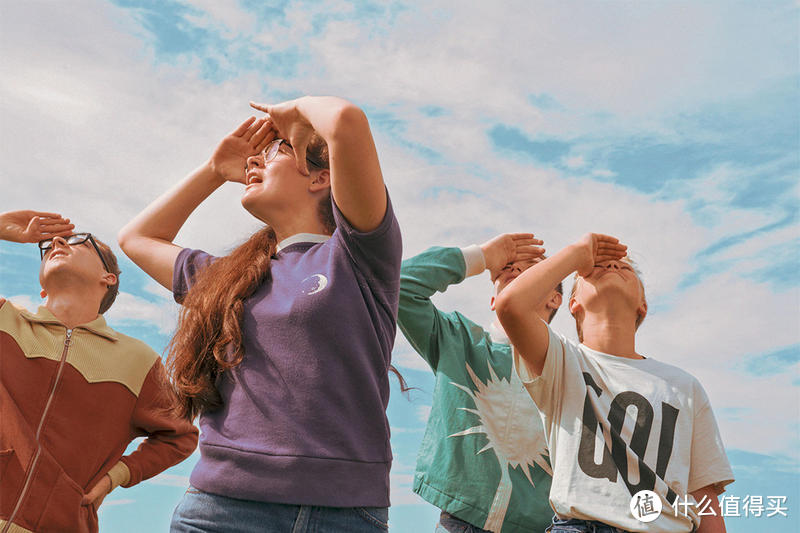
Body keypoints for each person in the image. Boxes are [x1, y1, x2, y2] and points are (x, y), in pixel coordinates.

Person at [117, 96, 402, 533]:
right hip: (220, 509)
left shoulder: (358, 255)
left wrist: (297, 113)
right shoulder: (226, 278)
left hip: (342, 514)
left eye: (274, 152)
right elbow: (136, 237)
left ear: (321, 178)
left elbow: (346, 120)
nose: (253, 163)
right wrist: (214, 170)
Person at [495, 233, 734, 533]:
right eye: (595, 266)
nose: (611, 264)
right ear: (573, 303)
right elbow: (510, 306)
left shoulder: (684, 386)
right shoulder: (562, 360)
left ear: (642, 305)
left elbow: (703, 496)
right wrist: (577, 253)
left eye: (625, 268)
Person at [0, 210, 199, 533]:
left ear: (108, 278)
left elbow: (181, 436)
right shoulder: (4, 321)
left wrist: (114, 477)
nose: (59, 242)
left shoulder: (137, 360)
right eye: (47, 246)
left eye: (80, 241)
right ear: (41, 288)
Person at [398, 233, 562, 533]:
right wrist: (482, 257)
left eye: (532, 268)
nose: (513, 270)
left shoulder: (569, 369)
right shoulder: (457, 339)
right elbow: (401, 286)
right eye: (506, 267)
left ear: (554, 297)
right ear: (492, 301)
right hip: (457, 522)